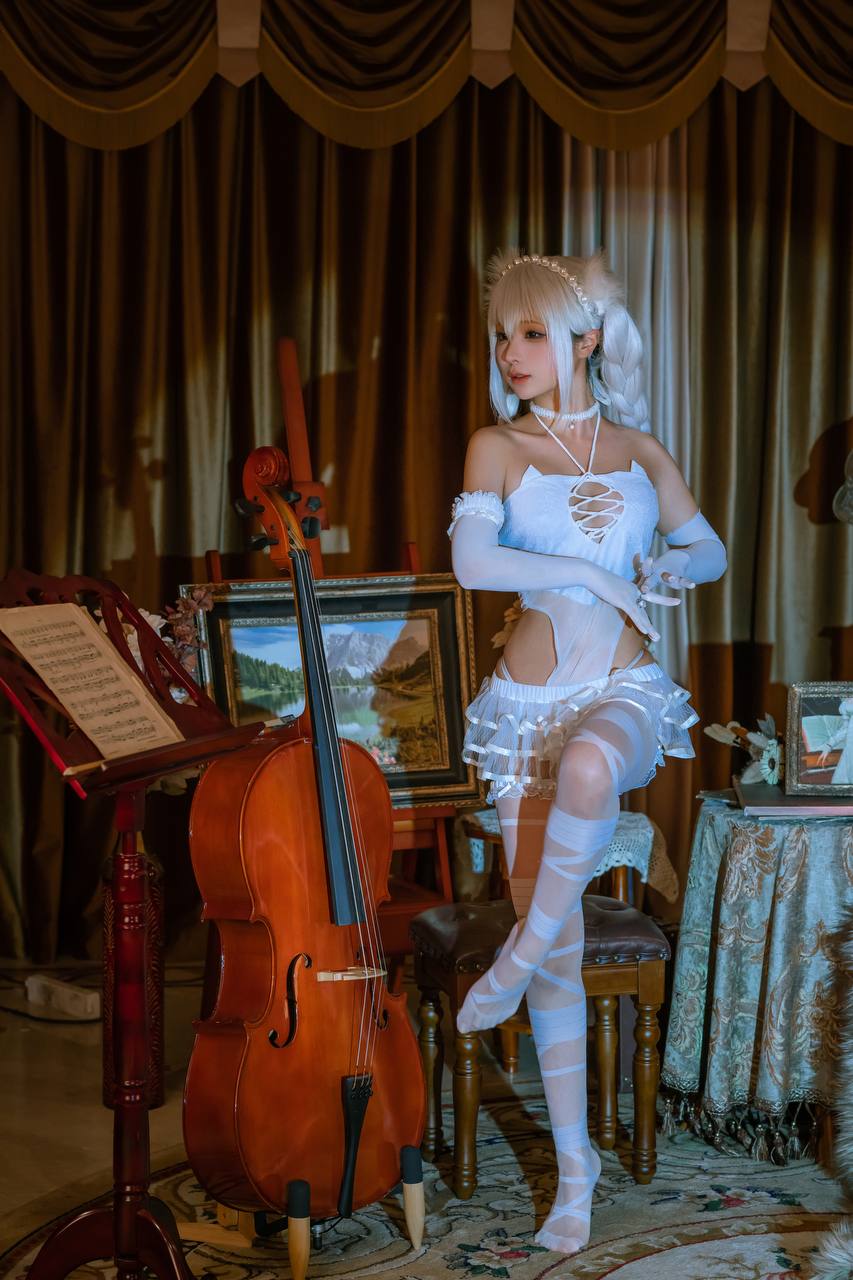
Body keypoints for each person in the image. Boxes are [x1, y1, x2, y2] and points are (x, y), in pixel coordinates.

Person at [447, 250, 727, 1256]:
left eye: (531, 333)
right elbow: (471, 562)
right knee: (561, 947)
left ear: (587, 338)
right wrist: (597, 576)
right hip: (525, 703)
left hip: (620, 688)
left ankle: (515, 953)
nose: (510, 352)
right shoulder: (496, 446)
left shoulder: (641, 448)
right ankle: (576, 1170)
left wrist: (663, 564)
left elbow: (710, 550)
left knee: (590, 767)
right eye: (501, 335)